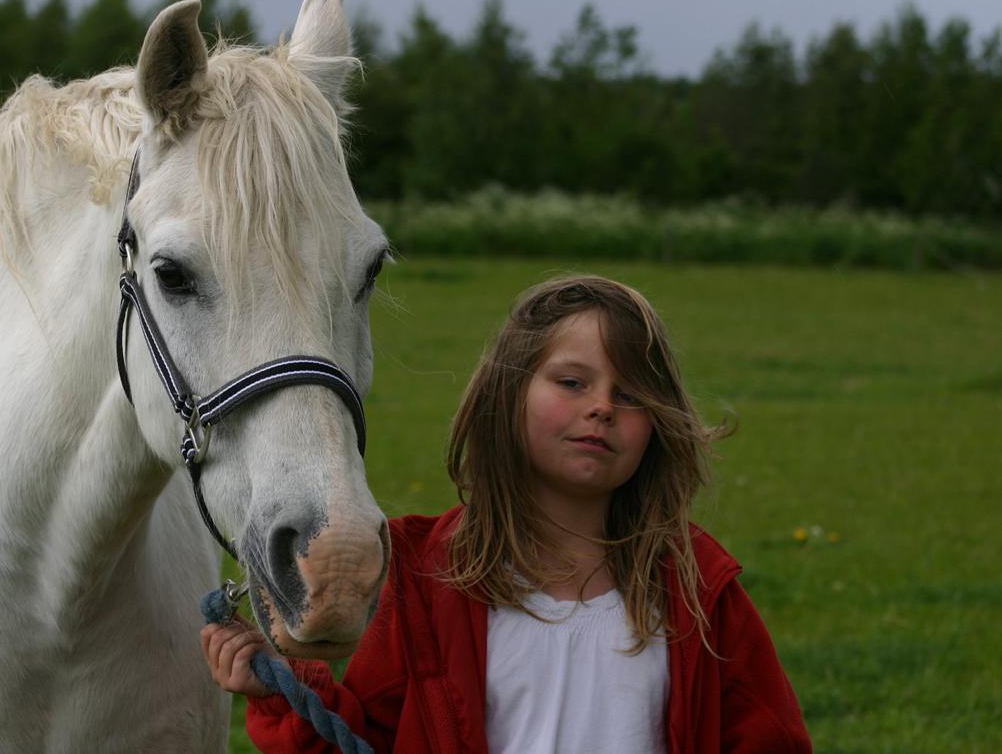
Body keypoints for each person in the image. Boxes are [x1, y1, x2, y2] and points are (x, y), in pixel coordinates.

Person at [201, 275, 812, 753]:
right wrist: (283, 693)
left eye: (629, 396)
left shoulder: (697, 586)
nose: (601, 407)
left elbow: (772, 741)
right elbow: (365, 741)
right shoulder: (430, 581)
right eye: (572, 383)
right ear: (507, 395)